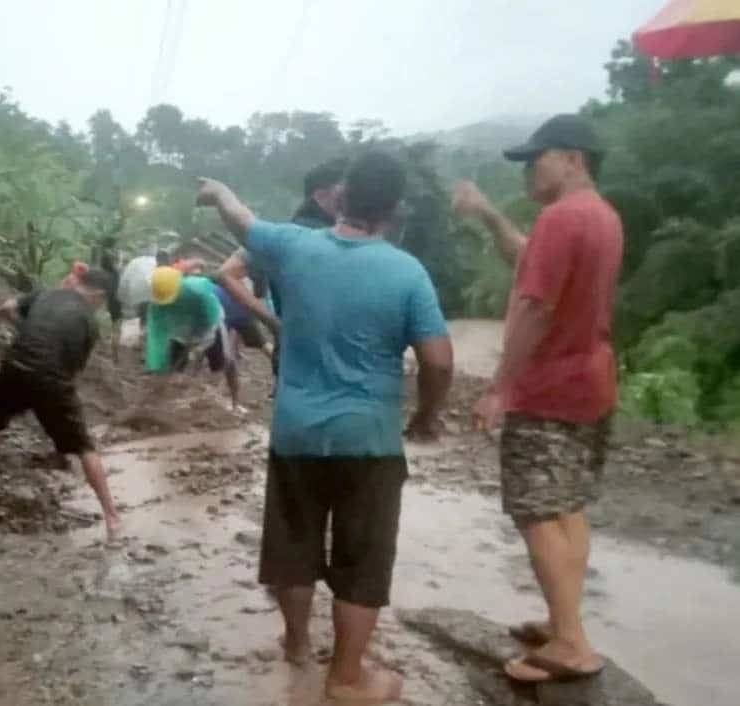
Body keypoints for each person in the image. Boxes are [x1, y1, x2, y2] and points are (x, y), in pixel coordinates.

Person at [196, 151, 454, 703]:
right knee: (363, 561)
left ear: (341, 196)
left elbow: (242, 222)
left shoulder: (294, 246)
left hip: (296, 433)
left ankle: (296, 645)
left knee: (292, 547)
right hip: (370, 441)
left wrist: (217, 191)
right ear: (395, 209)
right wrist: (425, 416)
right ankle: (346, 678)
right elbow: (438, 362)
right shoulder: (408, 272)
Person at [452, 114, 623, 683]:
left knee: (536, 511)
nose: (528, 170)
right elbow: (527, 259)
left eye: (536, 158)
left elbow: (535, 304)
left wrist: (500, 387)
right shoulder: (600, 215)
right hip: (591, 383)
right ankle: (563, 620)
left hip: (548, 388)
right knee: (566, 505)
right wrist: (487, 214)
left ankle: (571, 642)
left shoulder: (560, 218)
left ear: (573, 158)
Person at [0, 266, 122, 540]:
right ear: (99, 295)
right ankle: (112, 518)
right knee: (85, 446)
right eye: (102, 303)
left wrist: (23, 329)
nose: (99, 307)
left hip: (14, 364)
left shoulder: (48, 293)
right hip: (50, 376)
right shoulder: (88, 323)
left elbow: (7, 307)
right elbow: (72, 372)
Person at [215, 157, 348, 364]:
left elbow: (225, 273)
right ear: (321, 195)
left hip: (295, 356)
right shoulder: (304, 236)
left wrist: (274, 324)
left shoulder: (285, 236)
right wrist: (272, 323)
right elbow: (225, 274)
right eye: (345, 190)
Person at [143, 266, 241, 411]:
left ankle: (235, 402)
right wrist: (157, 365)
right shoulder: (156, 304)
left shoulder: (198, 289)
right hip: (181, 330)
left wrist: (201, 344)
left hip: (210, 325)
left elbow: (212, 319)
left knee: (226, 360)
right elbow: (157, 337)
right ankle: (163, 406)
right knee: (172, 369)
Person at [92, 236, 123, 363]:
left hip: (103, 298)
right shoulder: (115, 272)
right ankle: (114, 353)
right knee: (117, 325)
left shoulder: (99, 271)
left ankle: (102, 347)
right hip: (115, 298)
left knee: (101, 320)